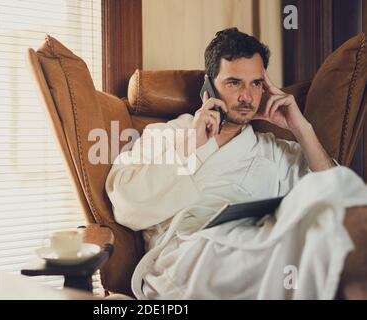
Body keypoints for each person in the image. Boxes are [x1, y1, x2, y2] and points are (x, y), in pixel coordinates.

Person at [105, 28, 367, 299]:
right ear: (208, 87)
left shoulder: (273, 150)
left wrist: (300, 127)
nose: (247, 96)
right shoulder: (167, 135)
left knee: (344, 231)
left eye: (255, 83)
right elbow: (126, 205)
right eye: (234, 83)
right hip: (189, 255)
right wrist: (192, 145)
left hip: (261, 243)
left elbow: (337, 193)